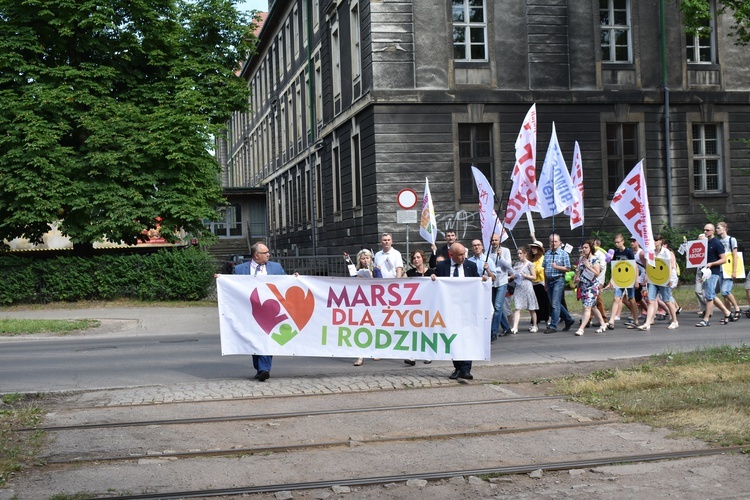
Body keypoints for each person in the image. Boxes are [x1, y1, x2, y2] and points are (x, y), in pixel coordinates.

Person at [431, 242, 488, 381]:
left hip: (468, 308)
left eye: (464, 254)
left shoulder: (471, 266)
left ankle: (466, 369)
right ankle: (457, 367)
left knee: (468, 336)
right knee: (452, 337)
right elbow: (434, 284)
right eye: (460, 255)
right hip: (449, 309)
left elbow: (476, 283)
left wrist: (483, 280)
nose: (464, 257)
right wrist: (433, 278)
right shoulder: (442, 266)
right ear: (451, 255)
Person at [233, 242, 287, 382]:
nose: (268, 254)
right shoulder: (240, 269)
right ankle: (259, 368)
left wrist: (295, 278)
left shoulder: (276, 267)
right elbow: (232, 286)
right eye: (265, 252)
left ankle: (264, 369)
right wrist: (220, 279)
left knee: (266, 338)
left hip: (270, 310)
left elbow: (286, 284)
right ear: (256, 255)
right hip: (249, 310)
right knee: (254, 339)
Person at [636, 235, 678, 331]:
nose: (654, 242)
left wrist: (670, 279)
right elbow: (649, 265)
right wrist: (646, 275)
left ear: (660, 241)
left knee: (667, 300)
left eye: (656, 240)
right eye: (653, 240)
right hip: (653, 279)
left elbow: (670, 266)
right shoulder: (650, 252)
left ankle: (675, 321)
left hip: (664, 278)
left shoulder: (666, 252)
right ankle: (647, 323)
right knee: (651, 300)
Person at [697, 223, 732, 327]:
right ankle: (727, 312)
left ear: (712, 231)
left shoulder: (716, 243)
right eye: (704, 230)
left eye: (707, 230)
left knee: (709, 296)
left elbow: (724, 259)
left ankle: (706, 319)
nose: (705, 232)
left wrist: (712, 264)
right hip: (705, 272)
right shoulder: (705, 243)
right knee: (710, 294)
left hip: (713, 273)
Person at [404, 249, 435, 366]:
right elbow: (400, 283)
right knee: (414, 331)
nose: (416, 260)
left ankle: (428, 354)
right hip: (414, 307)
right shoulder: (410, 273)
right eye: (414, 258)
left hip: (428, 305)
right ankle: (412, 356)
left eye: (418, 257)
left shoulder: (431, 272)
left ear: (423, 258)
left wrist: (434, 278)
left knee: (427, 330)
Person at [352, 249, 382, 366]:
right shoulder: (356, 271)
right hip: (361, 302)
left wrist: (372, 277)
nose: (365, 260)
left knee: (374, 326)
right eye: (363, 258)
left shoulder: (376, 269)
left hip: (374, 301)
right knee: (361, 327)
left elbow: (382, 283)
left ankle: (375, 351)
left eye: (367, 258)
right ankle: (360, 356)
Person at [605, 234, 640, 330]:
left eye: (618, 242)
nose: (616, 244)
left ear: (622, 242)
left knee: (632, 299)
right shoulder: (616, 252)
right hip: (619, 279)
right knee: (616, 298)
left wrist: (636, 280)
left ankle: (636, 319)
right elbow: (615, 267)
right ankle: (611, 321)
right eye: (615, 242)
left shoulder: (629, 252)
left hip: (629, 278)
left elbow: (634, 266)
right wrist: (611, 280)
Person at [573, 241, 607, 336]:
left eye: (586, 247)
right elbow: (579, 271)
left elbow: (597, 273)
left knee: (586, 307)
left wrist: (589, 266)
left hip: (592, 287)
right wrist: (576, 279)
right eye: (583, 247)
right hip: (584, 285)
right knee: (593, 307)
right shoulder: (582, 259)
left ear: (590, 249)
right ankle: (603, 324)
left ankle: (581, 329)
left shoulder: (595, 260)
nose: (584, 249)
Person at [543, 233, 575, 334]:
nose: (554, 243)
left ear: (559, 242)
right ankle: (569, 319)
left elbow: (568, 268)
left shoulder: (563, 254)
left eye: (555, 241)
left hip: (558, 280)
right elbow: (545, 268)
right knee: (554, 303)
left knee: (555, 304)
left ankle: (553, 326)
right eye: (552, 241)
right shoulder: (547, 253)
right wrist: (545, 282)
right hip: (549, 280)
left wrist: (557, 267)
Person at [488, 232, 514, 339]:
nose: (494, 242)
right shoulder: (488, 252)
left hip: (502, 282)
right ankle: (506, 327)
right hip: (492, 283)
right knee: (495, 307)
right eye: (492, 240)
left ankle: (493, 332)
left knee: (498, 307)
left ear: (499, 241)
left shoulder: (506, 251)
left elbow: (509, 266)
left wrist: (500, 257)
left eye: (496, 240)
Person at [510, 246, 538, 334]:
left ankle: (534, 325)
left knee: (531, 308)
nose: (519, 255)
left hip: (527, 286)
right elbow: (513, 274)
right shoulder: (517, 264)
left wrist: (525, 275)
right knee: (517, 307)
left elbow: (534, 277)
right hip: (519, 287)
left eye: (520, 253)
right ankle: (515, 327)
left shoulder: (529, 264)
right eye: (518, 253)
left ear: (525, 254)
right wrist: (513, 276)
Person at [716, 222, 741, 321]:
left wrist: (734, 270)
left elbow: (735, 256)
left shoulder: (731, 239)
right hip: (721, 269)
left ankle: (737, 308)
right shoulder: (718, 241)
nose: (717, 229)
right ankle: (728, 314)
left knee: (725, 291)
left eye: (719, 228)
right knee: (724, 295)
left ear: (725, 228)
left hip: (729, 269)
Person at [529, 240, 549, 327]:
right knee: (535, 303)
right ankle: (535, 321)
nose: (533, 249)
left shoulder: (543, 259)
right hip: (533, 283)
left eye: (535, 247)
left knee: (544, 302)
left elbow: (541, 270)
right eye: (532, 247)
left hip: (542, 283)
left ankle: (547, 318)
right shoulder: (531, 259)